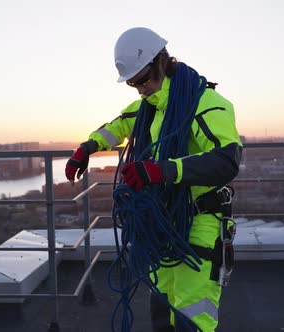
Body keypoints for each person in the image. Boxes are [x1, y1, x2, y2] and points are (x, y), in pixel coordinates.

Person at [65, 27, 243, 332]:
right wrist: (88, 147)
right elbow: (119, 125)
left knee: (191, 317)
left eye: (144, 79)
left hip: (200, 225)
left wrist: (164, 170)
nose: (141, 89)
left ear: (162, 61)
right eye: (133, 84)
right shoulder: (149, 106)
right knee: (162, 312)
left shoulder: (207, 103)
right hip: (165, 225)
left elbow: (226, 159)